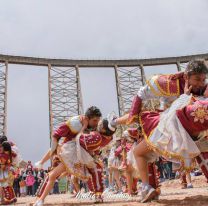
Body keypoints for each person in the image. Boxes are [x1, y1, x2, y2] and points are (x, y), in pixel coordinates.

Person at [34, 118, 116, 206]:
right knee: (54, 174)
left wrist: (83, 127)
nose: (99, 124)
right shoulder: (107, 138)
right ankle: (97, 194)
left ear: (103, 129)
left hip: (74, 155)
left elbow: (80, 139)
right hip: (78, 157)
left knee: (53, 173)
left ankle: (40, 198)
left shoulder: (96, 137)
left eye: (101, 124)